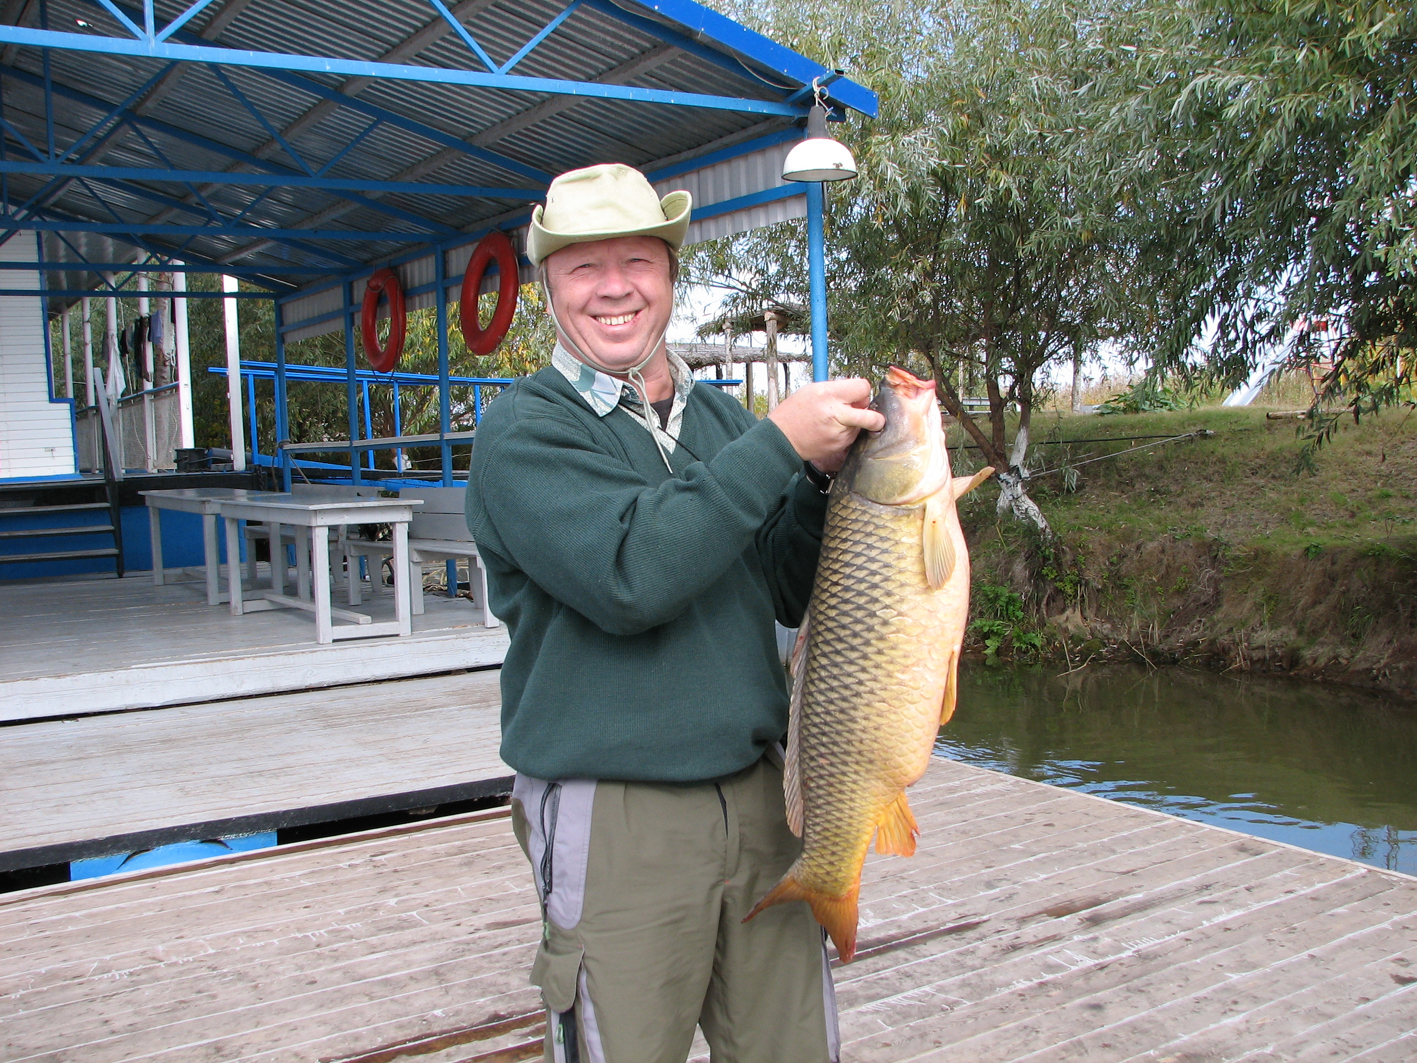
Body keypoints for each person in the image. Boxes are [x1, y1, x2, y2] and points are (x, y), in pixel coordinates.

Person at [465, 163, 884, 1063]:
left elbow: (779, 583)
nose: (613, 287)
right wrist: (779, 444)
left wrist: (815, 478)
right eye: (582, 266)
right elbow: (630, 575)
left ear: (670, 273)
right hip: (617, 814)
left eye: (637, 261)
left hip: (764, 798)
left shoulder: (725, 422)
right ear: (547, 284)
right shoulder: (523, 432)